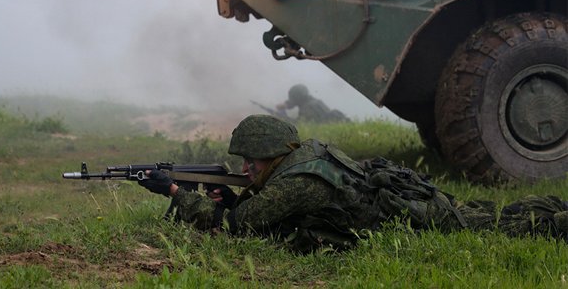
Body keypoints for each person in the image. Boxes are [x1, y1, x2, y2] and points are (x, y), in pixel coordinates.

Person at [139, 115, 568, 252]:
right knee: (487, 213)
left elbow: (240, 226)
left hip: (405, 218)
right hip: (396, 202)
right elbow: (256, 207)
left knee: (497, 224)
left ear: (271, 155)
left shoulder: (298, 181)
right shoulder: (303, 157)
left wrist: (177, 193)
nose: (246, 169)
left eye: (250, 162)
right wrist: (230, 196)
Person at [276, 84, 348, 123]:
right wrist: (286, 104)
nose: (291, 99)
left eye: (293, 97)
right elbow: (296, 101)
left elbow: (299, 126)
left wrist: (283, 118)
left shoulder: (308, 107)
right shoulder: (314, 101)